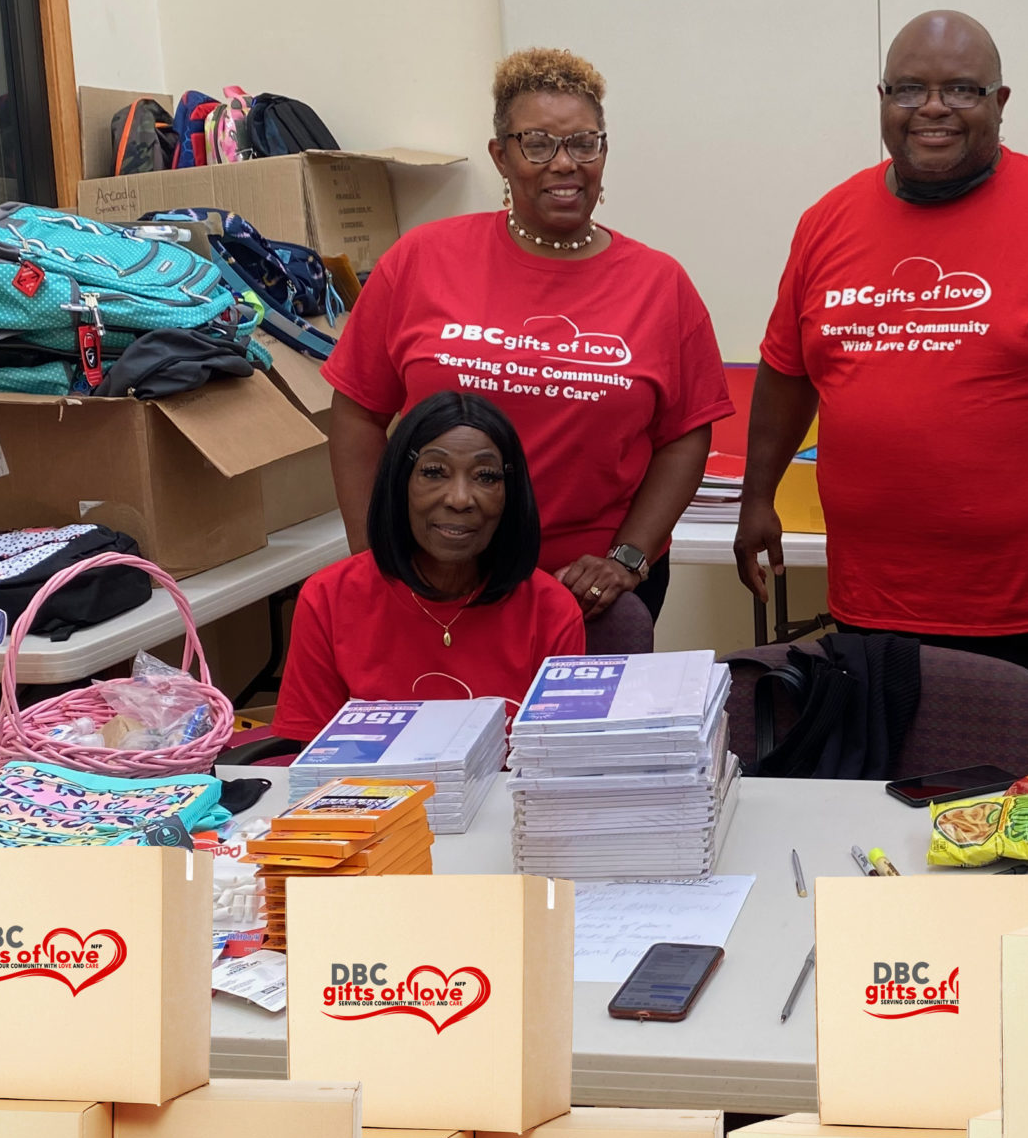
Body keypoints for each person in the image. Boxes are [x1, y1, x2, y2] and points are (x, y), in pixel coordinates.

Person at [737, 10, 1028, 697]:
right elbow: (787, 371)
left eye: (960, 89)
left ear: (1000, 102)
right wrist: (757, 498)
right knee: (880, 768)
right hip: (871, 605)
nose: (932, 108)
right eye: (908, 89)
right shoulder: (826, 222)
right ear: (883, 99)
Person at [324, 46, 731, 623]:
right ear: (500, 156)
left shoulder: (659, 284)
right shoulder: (421, 259)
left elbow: (685, 435)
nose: (564, 163)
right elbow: (357, 411)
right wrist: (375, 560)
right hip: (438, 583)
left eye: (583, 143)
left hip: (592, 597)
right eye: (537, 144)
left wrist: (628, 558)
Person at [273, 392, 586, 741]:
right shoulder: (328, 598)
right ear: (400, 482)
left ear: (510, 494)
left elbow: (557, 761)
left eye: (486, 477)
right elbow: (305, 753)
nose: (460, 499)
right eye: (434, 472)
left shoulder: (551, 610)